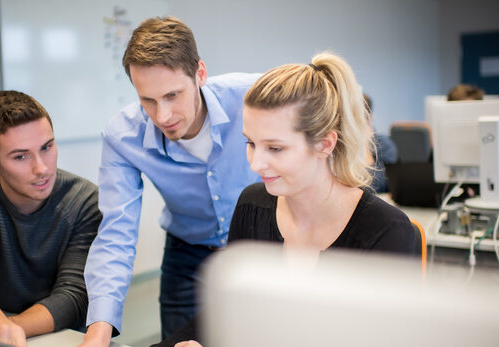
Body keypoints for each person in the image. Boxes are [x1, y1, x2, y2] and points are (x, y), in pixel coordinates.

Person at [155, 52, 416, 347]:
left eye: (275, 149)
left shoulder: (387, 232)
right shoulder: (252, 206)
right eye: (251, 143)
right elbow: (231, 312)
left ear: (325, 144)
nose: (256, 164)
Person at [80, 17, 261, 346]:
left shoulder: (254, 95)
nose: (162, 116)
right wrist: (99, 328)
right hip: (187, 251)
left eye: (172, 95)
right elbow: (116, 232)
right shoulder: (122, 135)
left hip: (260, 244)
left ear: (200, 74)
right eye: (147, 100)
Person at [0, 90, 102, 347]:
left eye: (47, 147)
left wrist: (6, 329)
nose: (41, 168)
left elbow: (73, 297)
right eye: (21, 156)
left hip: (56, 336)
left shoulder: (83, 201)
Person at [362, 93, 398, 193]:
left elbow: (376, 187)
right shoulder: (340, 145)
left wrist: (364, 145)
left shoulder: (384, 145)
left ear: (369, 118)